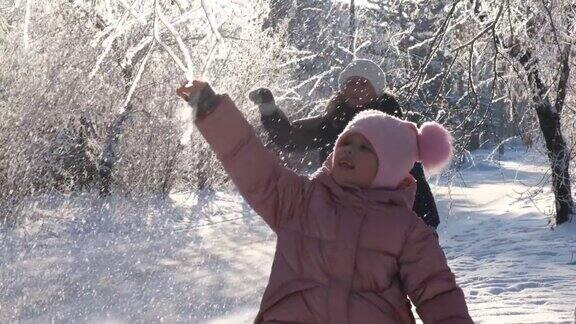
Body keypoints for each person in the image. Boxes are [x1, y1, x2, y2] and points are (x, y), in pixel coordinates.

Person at [176, 80, 472, 323]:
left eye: (364, 148)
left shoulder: (405, 230)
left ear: (390, 166)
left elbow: (439, 297)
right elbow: (250, 159)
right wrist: (211, 109)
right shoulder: (301, 200)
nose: (348, 152)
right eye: (345, 143)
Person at [249, 59, 441, 229]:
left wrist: (426, 224)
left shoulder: (393, 132)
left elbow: (413, 179)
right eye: (351, 83)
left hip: (384, 222)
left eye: (363, 83)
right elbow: (289, 138)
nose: (356, 88)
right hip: (339, 217)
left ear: (377, 91)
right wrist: (268, 108)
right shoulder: (331, 124)